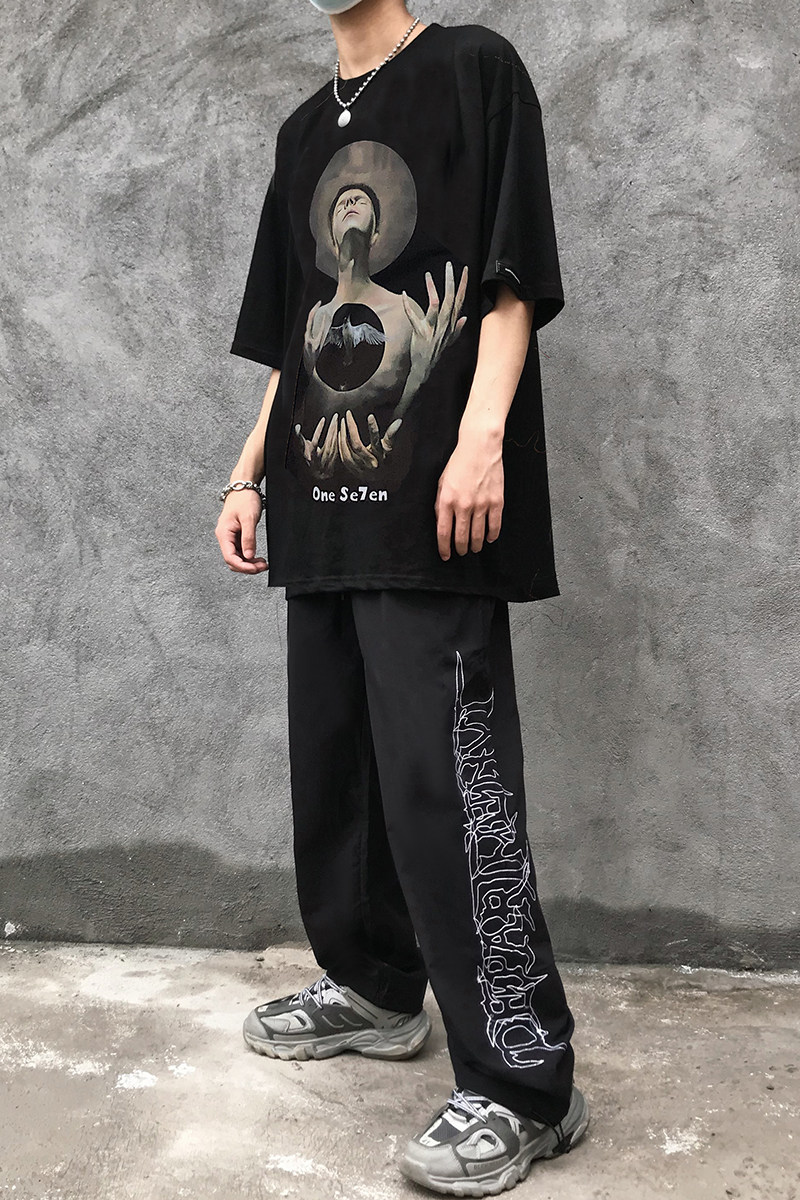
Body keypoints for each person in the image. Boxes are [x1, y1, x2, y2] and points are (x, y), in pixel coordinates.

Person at [215, 0, 590, 1193]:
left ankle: (523, 1083)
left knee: (448, 791)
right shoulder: (299, 135)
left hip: (432, 506)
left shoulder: (472, 68)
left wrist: (480, 438)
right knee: (335, 777)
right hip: (318, 504)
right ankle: (376, 984)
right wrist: (245, 472)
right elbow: (297, 332)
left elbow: (509, 275)